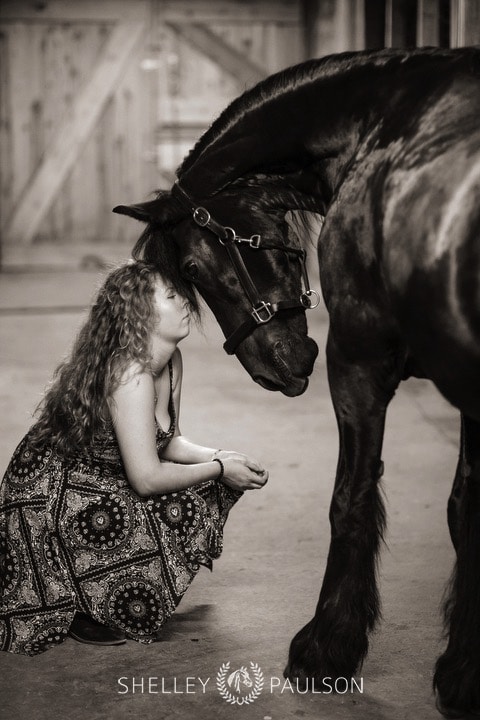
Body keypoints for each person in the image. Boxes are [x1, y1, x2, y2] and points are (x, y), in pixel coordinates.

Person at [0, 260, 268, 655]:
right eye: (172, 296)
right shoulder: (130, 375)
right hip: (49, 493)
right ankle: (81, 603)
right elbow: (145, 477)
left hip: (101, 476)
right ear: (140, 313)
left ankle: (96, 587)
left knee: (201, 485)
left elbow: (168, 442)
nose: (185, 303)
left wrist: (221, 455)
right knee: (152, 509)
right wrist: (220, 469)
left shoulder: (171, 361)